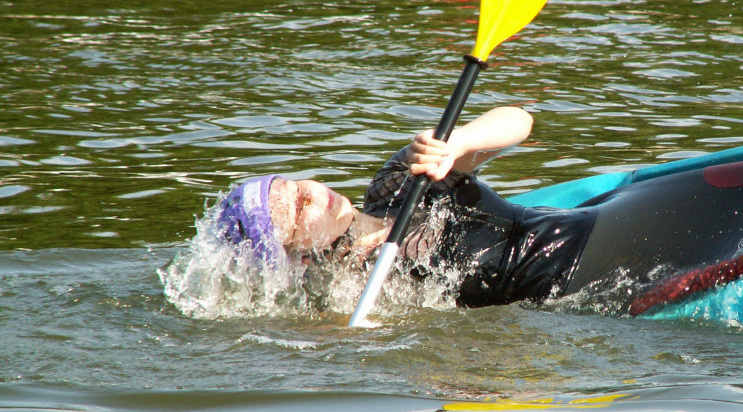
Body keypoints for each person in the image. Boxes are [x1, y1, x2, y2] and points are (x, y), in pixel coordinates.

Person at [211, 105, 683, 312]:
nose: (313, 194)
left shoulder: (402, 181)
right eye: (298, 211)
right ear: (295, 257)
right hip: (584, 293)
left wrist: (459, 143)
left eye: (298, 186)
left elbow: (520, 120)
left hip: (592, 230)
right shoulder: (347, 298)